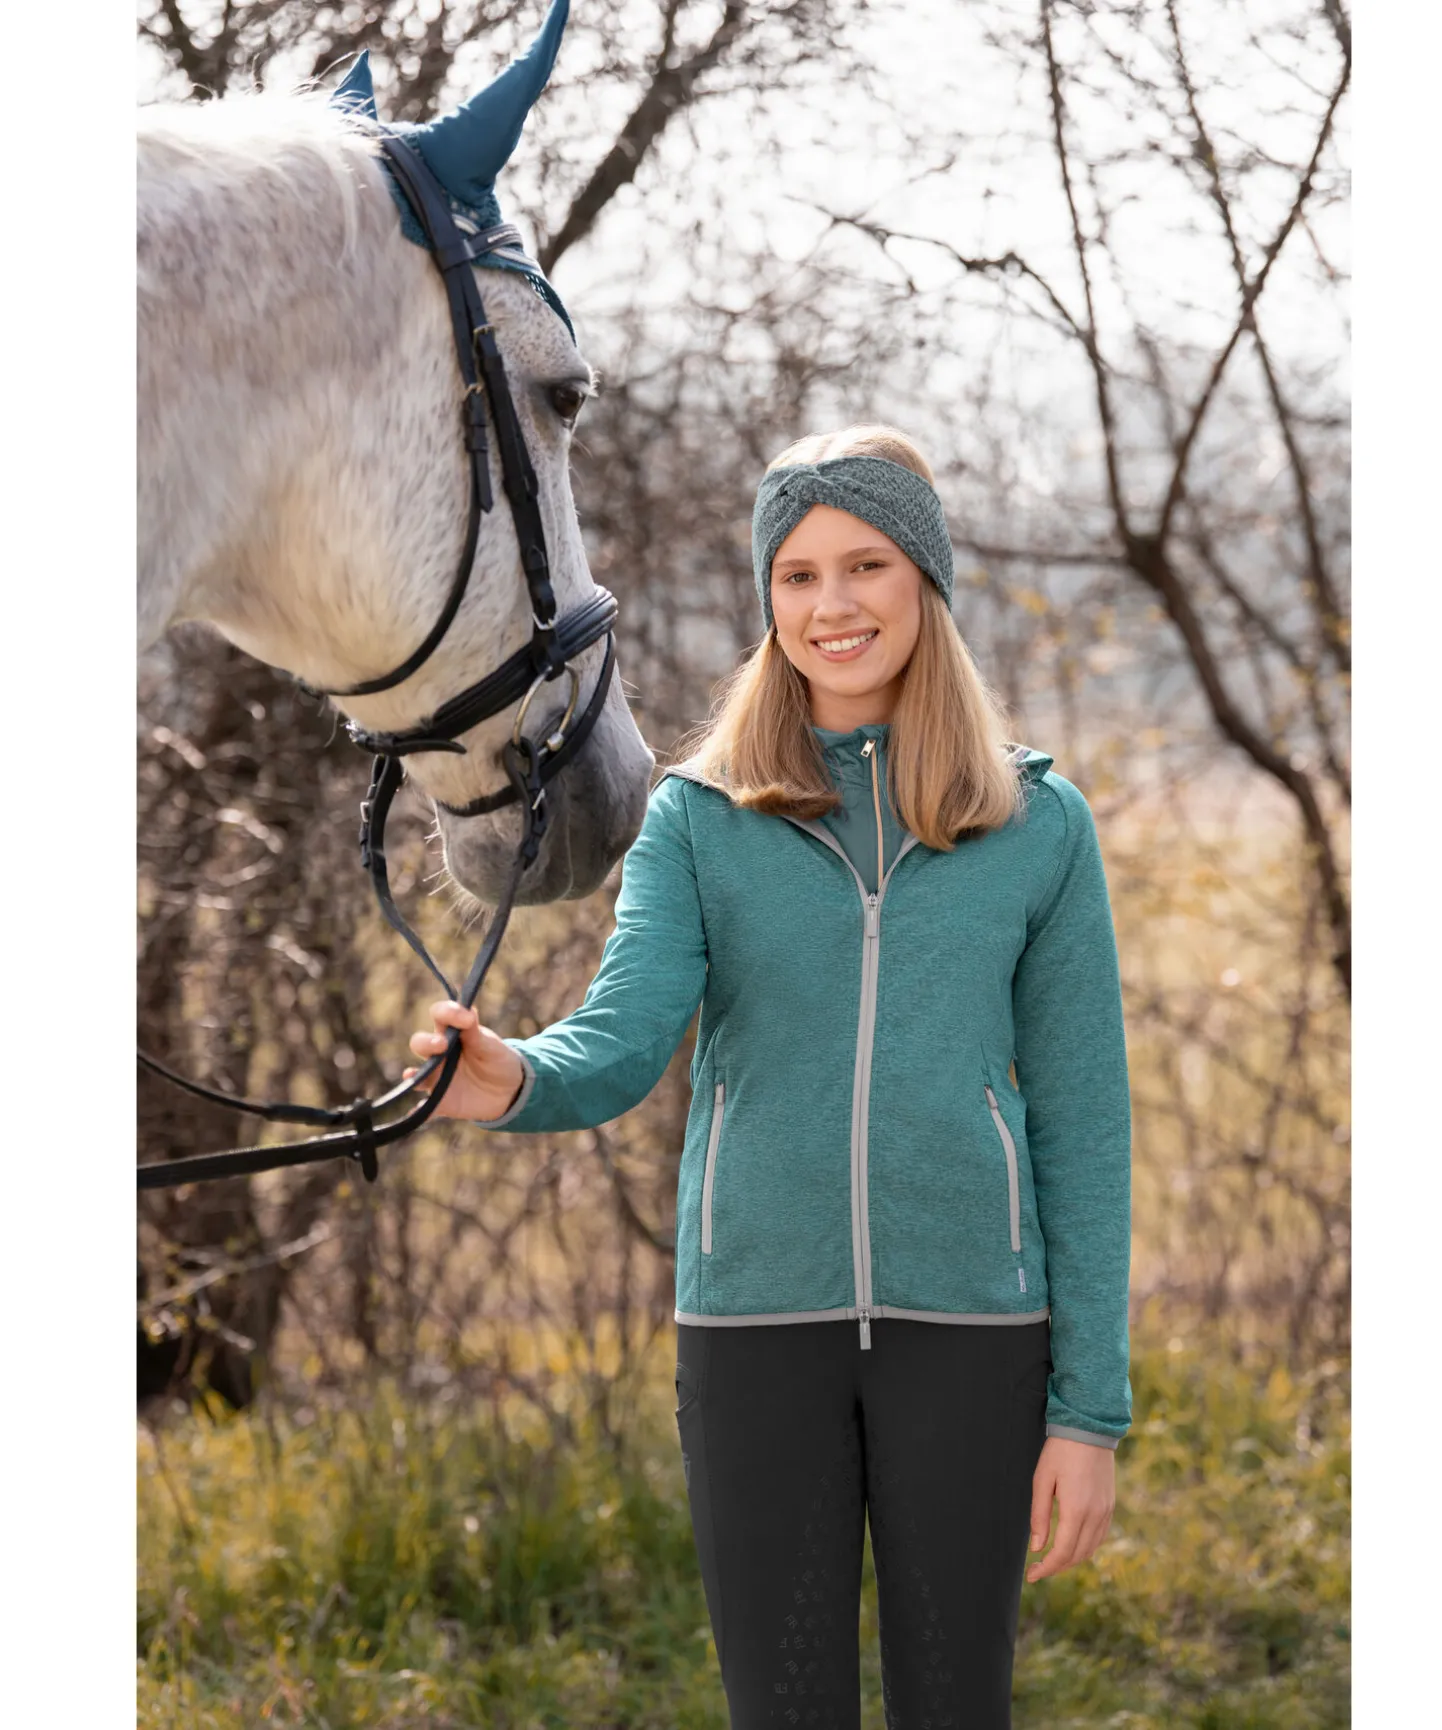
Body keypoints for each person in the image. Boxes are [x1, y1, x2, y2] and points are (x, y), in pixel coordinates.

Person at [407, 423, 1132, 1728]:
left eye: (864, 565)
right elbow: (621, 1036)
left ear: (923, 576)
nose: (831, 605)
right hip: (754, 1339)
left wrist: (1088, 1414)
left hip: (973, 1338)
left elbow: (1084, 1128)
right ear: (768, 598)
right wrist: (512, 1076)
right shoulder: (698, 820)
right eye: (797, 575)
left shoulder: (1037, 825)